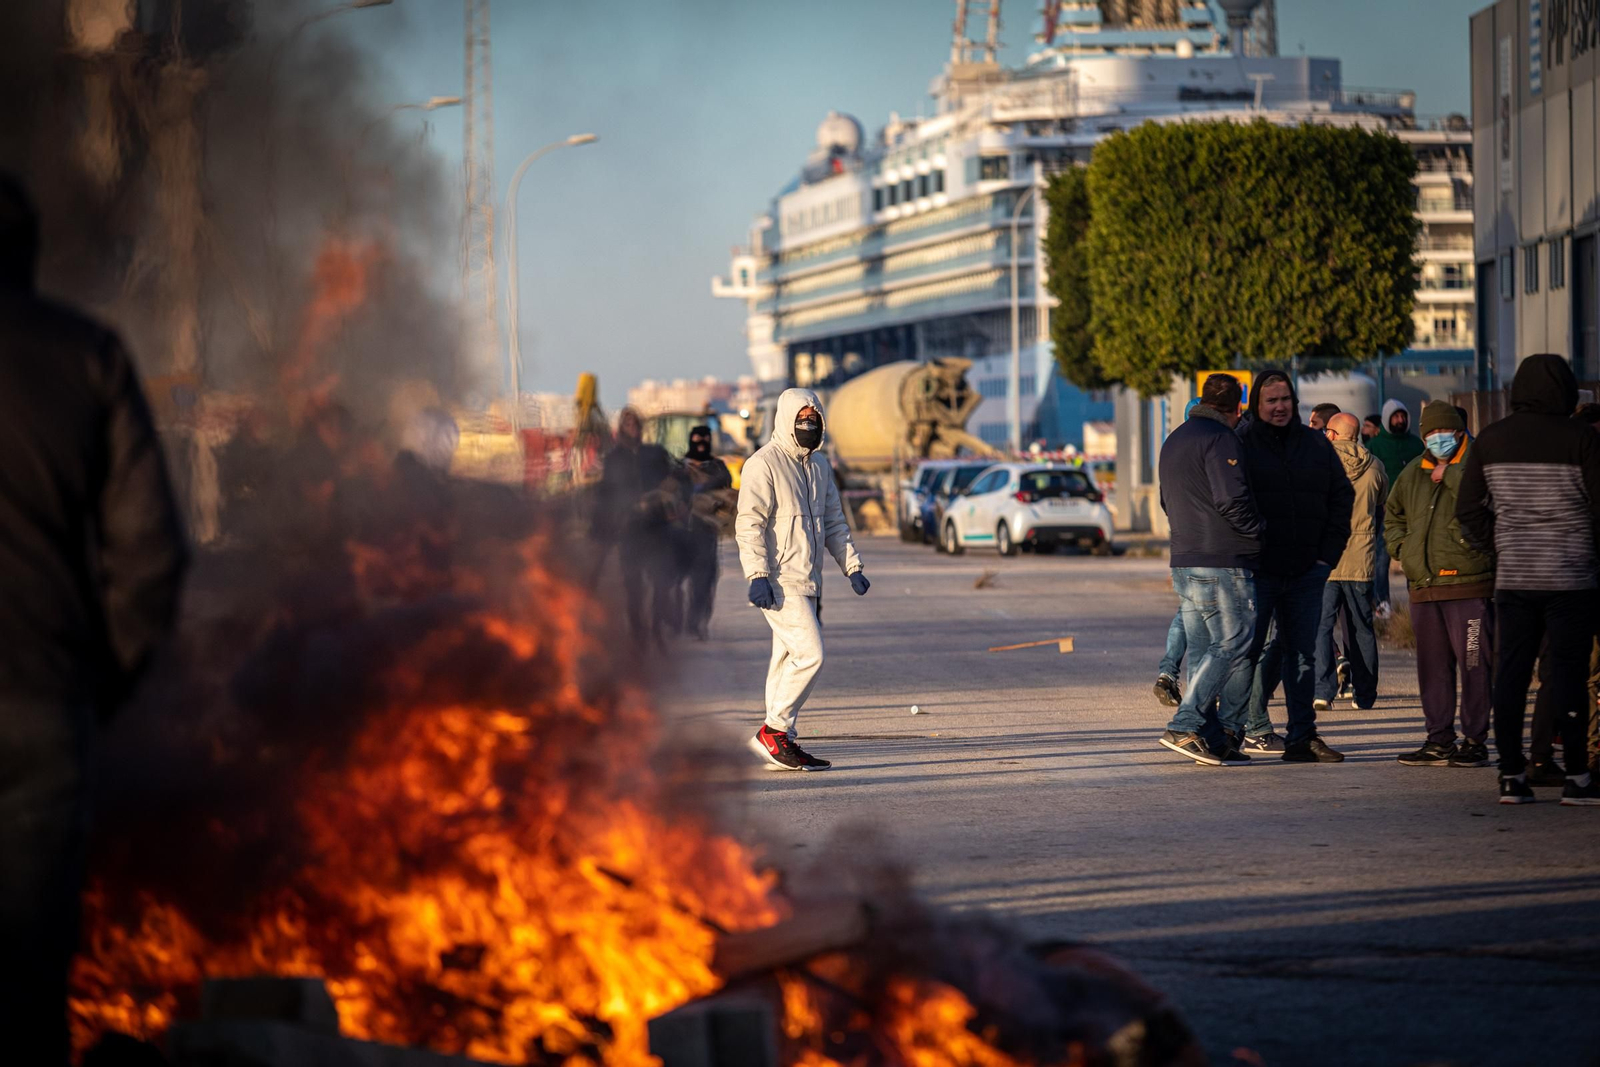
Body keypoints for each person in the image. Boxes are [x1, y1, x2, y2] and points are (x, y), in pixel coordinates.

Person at [0, 174, 189, 1064]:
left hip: (46, 698)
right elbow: (151, 555)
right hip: (42, 707)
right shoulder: (89, 356)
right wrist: (96, 686)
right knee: (32, 972)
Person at [1457, 354, 1600, 805]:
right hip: (1572, 578)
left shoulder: (1491, 440)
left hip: (1514, 579)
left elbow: (1468, 510)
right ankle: (1578, 777)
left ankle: (1511, 776)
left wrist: (1501, 547)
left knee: (1512, 675)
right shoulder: (1582, 438)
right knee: (1569, 674)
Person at [1226, 369, 1354, 763]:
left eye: (1285, 400)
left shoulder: (1315, 444)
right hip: (1257, 571)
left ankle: (1302, 737)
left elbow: (1341, 497)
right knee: (1244, 654)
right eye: (1271, 400)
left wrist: (1326, 556)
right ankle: (1230, 733)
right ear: (1256, 405)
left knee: (1302, 654)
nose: (1279, 407)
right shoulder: (1241, 444)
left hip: (1306, 571)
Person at [737, 388, 868, 771]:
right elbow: (749, 524)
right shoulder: (763, 464)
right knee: (811, 654)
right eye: (802, 419)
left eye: (814, 419)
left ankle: (781, 739)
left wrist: (852, 566)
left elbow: (833, 522)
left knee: (785, 659)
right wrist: (757, 574)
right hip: (777, 581)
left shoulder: (820, 466)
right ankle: (773, 731)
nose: (808, 425)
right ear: (786, 419)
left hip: (808, 579)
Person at [1154, 372, 1263, 766]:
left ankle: (1210, 737)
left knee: (1202, 649)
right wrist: (1258, 534)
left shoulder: (1176, 438)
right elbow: (1232, 500)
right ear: (1237, 408)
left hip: (1184, 559)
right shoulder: (1222, 438)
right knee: (1235, 641)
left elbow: (1166, 501)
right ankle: (1184, 725)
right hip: (1221, 559)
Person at [1384, 403, 1495, 768]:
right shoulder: (1415, 471)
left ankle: (1475, 740)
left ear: (1458, 431)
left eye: (1441, 433)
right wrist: (1403, 549)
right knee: (1432, 668)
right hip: (1423, 585)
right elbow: (1393, 513)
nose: (1436, 440)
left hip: (1468, 585)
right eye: (1429, 434)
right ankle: (1439, 739)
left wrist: (1449, 474)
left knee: (1475, 664)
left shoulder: (1479, 464)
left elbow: (1488, 503)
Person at [1315, 413, 1386, 713]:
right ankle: (1365, 693)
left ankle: (1323, 691)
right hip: (1361, 557)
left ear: (1333, 433)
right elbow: (1381, 504)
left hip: (1326, 559)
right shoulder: (1375, 465)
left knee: (1321, 627)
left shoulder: (1320, 464)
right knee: (1361, 627)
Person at [593, 407, 677, 646]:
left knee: (662, 581)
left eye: (637, 424)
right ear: (622, 428)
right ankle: (638, 635)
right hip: (629, 530)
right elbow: (607, 494)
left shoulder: (656, 454)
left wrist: (663, 497)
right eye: (629, 425)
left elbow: (670, 482)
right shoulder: (614, 459)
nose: (634, 429)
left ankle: (657, 629)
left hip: (656, 528)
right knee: (634, 588)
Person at [1153, 398, 1204, 708]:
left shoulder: (1171, 447)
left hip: (1181, 542)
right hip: (1210, 546)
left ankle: (1168, 673)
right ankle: (1203, 691)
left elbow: (1164, 499)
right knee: (1212, 619)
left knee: (1187, 609)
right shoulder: (1215, 445)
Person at [1366, 399, 1424, 614]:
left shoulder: (1415, 444)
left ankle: (1416, 603)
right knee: (1382, 558)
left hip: (1413, 510)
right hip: (1385, 510)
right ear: (1387, 419)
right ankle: (1382, 604)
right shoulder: (1375, 445)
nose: (1400, 420)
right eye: (1395, 416)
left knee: (1413, 556)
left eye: (1403, 416)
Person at [681, 424, 733, 640]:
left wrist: (704, 486)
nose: (700, 444)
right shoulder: (681, 467)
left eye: (705, 439)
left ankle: (698, 622)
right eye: (697, 439)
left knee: (705, 580)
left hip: (706, 532)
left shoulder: (717, 466)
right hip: (679, 533)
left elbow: (725, 480)